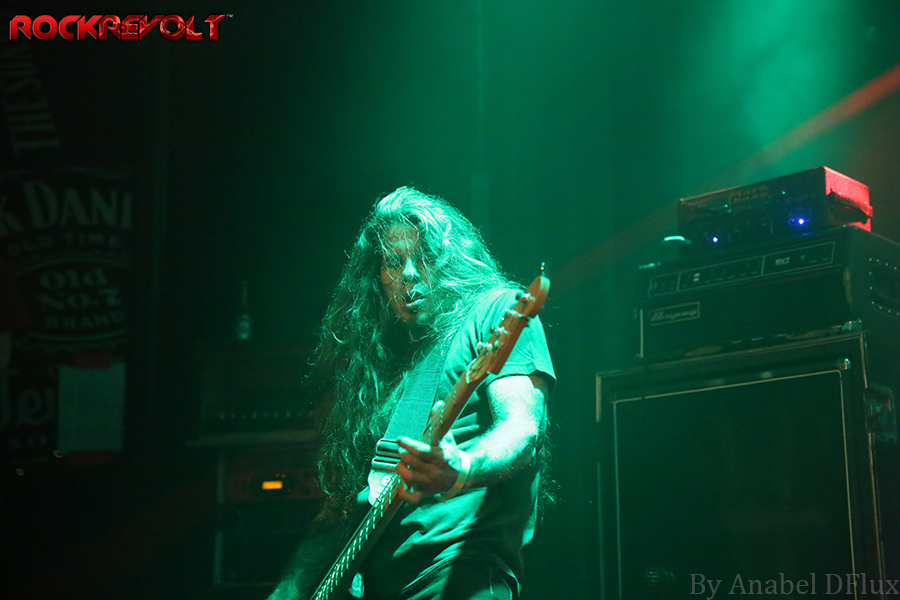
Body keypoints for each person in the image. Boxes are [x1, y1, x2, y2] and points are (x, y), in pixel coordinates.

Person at [269, 186, 555, 600]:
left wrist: (462, 467)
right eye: (393, 262)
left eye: (423, 256)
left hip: (454, 573)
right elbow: (346, 509)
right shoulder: (381, 371)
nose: (408, 274)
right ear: (377, 279)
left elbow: (521, 429)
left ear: (451, 260)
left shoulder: (496, 311)